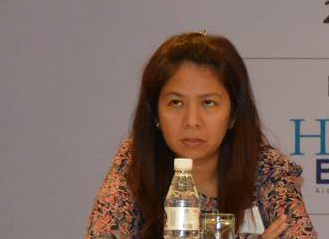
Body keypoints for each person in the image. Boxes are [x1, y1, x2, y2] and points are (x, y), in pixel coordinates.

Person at [85, 32, 314, 239]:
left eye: (208, 103)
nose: (192, 120)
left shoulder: (266, 168)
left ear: (233, 113)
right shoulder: (134, 162)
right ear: (155, 112)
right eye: (176, 102)